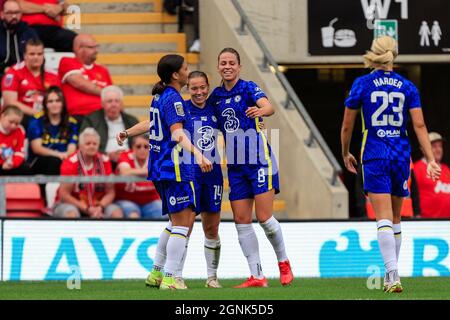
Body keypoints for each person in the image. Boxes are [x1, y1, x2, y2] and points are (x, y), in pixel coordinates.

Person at [341, 35, 441, 293]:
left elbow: (347, 125)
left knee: (382, 218)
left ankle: (392, 275)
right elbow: (419, 125)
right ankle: (391, 276)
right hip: (400, 155)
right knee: (396, 217)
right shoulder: (408, 86)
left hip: (374, 153)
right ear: (394, 54)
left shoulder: (361, 84)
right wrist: (430, 159)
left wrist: (345, 152)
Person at [116, 54, 212, 290]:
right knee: (183, 223)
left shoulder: (159, 96)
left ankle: (156, 273)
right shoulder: (174, 99)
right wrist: (199, 154)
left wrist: (127, 132)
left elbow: (151, 123)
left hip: (159, 167)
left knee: (174, 222)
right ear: (175, 75)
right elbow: (178, 133)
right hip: (176, 167)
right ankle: (170, 278)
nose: (189, 73)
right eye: (186, 69)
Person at [208, 47, 293, 288]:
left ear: (239, 66)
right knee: (241, 220)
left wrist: (260, 110)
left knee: (265, 218)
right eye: (223, 62)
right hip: (235, 166)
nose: (227, 66)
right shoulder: (215, 96)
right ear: (218, 66)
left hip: (259, 161)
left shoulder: (247, 87)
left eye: (231, 62)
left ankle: (284, 263)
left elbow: (269, 107)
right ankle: (257, 275)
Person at [53, 127, 123, 218]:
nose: (92, 146)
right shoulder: (70, 162)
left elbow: (110, 192)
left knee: (116, 213)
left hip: (98, 205)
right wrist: (86, 208)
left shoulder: (105, 161)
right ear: (80, 146)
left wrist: (100, 207)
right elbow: (64, 195)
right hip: (71, 204)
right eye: (88, 143)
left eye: (95, 144)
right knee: (71, 214)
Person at [27, 86, 78, 200]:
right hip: (39, 163)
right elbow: (37, 148)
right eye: (50, 101)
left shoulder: (71, 122)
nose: (54, 104)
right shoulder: (36, 121)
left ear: (63, 103)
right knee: (54, 161)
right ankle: (47, 200)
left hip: (64, 162)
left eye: (58, 101)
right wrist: (59, 155)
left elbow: (72, 148)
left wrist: (65, 156)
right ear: (45, 104)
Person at [2, 38, 60, 128]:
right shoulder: (14, 72)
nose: (36, 57)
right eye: (32, 54)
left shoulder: (52, 75)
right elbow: (10, 102)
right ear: (25, 55)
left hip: (46, 116)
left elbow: (58, 100)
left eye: (39, 54)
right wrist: (37, 114)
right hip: (21, 115)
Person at [58, 34, 112, 123]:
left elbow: (114, 96)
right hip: (79, 116)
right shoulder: (67, 61)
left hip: (104, 116)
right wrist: (106, 93)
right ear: (78, 48)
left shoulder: (103, 70)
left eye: (97, 47)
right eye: (92, 47)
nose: (96, 51)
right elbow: (80, 83)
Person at [80, 85, 138, 167]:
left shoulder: (132, 121)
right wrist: (107, 155)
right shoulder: (91, 120)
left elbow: (140, 143)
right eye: (109, 101)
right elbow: (84, 144)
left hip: (129, 162)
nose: (113, 104)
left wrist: (126, 156)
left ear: (121, 104)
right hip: (100, 161)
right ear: (102, 104)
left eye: (117, 101)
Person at [114, 134, 163, 219]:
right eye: (138, 146)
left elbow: (161, 172)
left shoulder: (155, 157)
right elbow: (125, 172)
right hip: (127, 199)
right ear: (133, 147)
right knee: (133, 215)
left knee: (162, 212)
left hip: (150, 200)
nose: (142, 149)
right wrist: (149, 171)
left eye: (146, 146)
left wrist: (134, 172)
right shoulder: (125, 155)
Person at [413, 132, 450, 218]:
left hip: (447, 223)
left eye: (440, 146)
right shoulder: (416, 169)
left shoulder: (446, 169)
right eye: (434, 146)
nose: (438, 149)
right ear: (423, 149)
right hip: (426, 223)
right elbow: (411, 195)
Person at [0, 0, 38, 78]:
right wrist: (4, 69)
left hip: (24, 76)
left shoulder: (29, 33)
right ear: (2, 15)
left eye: (17, 12)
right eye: (10, 13)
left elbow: (38, 57)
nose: (14, 16)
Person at [0, 105, 30, 175]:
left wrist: (12, 163)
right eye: (10, 122)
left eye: (17, 123)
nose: (13, 126)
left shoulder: (20, 130)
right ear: (2, 116)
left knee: (26, 168)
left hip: (11, 163)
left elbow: (20, 152)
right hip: (1, 163)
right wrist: (2, 164)